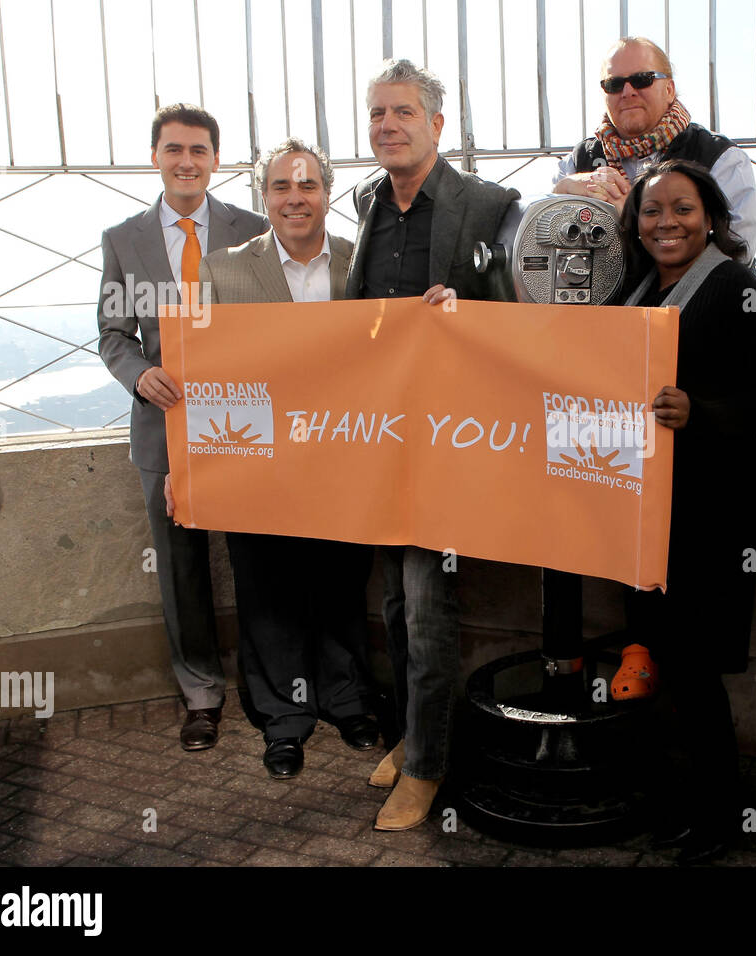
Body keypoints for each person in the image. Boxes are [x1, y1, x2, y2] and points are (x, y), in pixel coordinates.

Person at [166, 140, 383, 779]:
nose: (296, 198)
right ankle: (284, 719)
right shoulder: (221, 271)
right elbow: (197, 374)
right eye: (282, 187)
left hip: (343, 458)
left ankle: (347, 702)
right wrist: (190, 471)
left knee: (342, 584)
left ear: (326, 193)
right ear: (265, 197)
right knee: (266, 592)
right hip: (255, 463)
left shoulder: (361, 263)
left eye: (308, 186)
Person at [348, 58, 521, 831]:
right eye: (378, 113)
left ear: (437, 124)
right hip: (381, 435)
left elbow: (528, 310)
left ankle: (427, 765)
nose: (388, 125)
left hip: (451, 441)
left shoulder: (489, 205)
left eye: (403, 113)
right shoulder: (366, 204)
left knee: (426, 603)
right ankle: (414, 733)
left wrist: (469, 310)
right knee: (390, 599)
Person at [618, 159, 756, 864]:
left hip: (709, 519)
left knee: (694, 672)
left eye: (683, 209)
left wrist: (703, 412)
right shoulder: (635, 288)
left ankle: (720, 815)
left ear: (711, 216)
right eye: (652, 210)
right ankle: (678, 802)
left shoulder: (738, 289)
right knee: (657, 660)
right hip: (646, 509)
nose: (667, 222)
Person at [97, 104, 266, 752]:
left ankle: (269, 683)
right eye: (174, 149)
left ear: (216, 159)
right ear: (156, 157)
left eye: (199, 150)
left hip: (244, 421)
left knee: (258, 558)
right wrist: (141, 375)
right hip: (163, 427)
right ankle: (200, 695)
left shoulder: (253, 229)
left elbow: (277, 324)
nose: (186, 161)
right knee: (181, 565)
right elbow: (113, 334)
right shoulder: (123, 239)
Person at [554, 37, 756, 261]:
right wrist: (560, 194)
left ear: (670, 89)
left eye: (642, 79)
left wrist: (632, 220)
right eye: (614, 84)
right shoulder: (577, 162)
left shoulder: (720, 157)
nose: (627, 92)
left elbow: (737, 254)